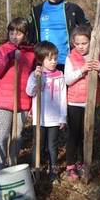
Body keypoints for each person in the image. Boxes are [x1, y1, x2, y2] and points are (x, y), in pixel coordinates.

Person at [64, 25, 100, 181]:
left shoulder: (99, 57)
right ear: (73, 43)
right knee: (74, 135)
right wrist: (82, 69)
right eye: (77, 43)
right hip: (74, 103)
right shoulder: (70, 58)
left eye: (84, 43)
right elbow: (68, 80)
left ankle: (84, 164)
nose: (81, 46)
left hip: (91, 103)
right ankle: (71, 165)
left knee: (87, 134)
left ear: (91, 42)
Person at [0, 17, 36, 171]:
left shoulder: (31, 54)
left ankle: (13, 165)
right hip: (3, 100)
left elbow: (33, 80)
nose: (14, 36)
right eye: (11, 32)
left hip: (23, 101)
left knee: (17, 136)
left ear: (25, 34)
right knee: (3, 135)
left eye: (18, 33)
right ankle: (0, 165)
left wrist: (31, 103)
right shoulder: (2, 49)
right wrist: (10, 56)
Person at [28, 0, 91, 71]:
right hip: (44, 64)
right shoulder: (36, 11)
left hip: (68, 63)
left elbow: (88, 31)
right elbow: (29, 39)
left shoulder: (73, 9)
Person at [26, 41, 67, 183]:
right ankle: (34, 169)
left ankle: (53, 171)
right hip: (39, 118)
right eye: (50, 59)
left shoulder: (60, 75)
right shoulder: (36, 74)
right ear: (40, 59)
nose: (54, 62)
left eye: (55, 58)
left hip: (54, 119)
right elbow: (29, 91)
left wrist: (63, 117)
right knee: (37, 144)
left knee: (52, 146)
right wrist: (37, 79)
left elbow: (63, 97)